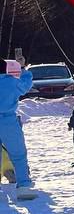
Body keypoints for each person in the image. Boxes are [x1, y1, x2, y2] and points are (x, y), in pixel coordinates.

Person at [0, 60, 36, 200]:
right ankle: (23, 186)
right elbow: (27, 84)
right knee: (18, 154)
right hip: (8, 121)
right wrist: (22, 68)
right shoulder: (12, 82)